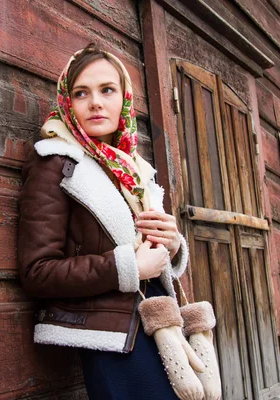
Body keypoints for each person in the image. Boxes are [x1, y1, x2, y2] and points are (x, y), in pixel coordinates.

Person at [17, 43, 189, 399]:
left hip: (159, 323)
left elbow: (151, 257)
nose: (95, 102)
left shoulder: (134, 168)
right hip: (111, 337)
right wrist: (126, 266)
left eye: (107, 90)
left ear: (124, 98)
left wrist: (172, 246)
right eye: (81, 93)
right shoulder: (55, 163)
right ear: (67, 102)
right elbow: (38, 271)